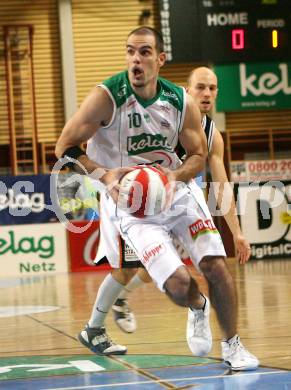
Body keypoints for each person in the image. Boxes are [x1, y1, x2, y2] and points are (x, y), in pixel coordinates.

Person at [55, 26, 228, 356]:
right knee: (130, 267)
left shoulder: (187, 113)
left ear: (160, 61)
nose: (136, 59)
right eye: (130, 51)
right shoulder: (108, 97)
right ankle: (96, 326)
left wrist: (173, 177)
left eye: (144, 52)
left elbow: (207, 166)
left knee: (149, 270)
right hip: (118, 189)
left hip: (162, 191)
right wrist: (105, 176)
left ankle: (104, 317)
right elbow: (64, 145)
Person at [89, 66, 259, 371]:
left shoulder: (210, 135)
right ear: (186, 91)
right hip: (133, 199)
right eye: (200, 88)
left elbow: (220, 186)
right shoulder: (159, 115)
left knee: (210, 266)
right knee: (130, 269)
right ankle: (100, 322)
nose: (206, 94)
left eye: (212, 88)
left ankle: (231, 342)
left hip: (180, 198)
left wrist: (238, 232)